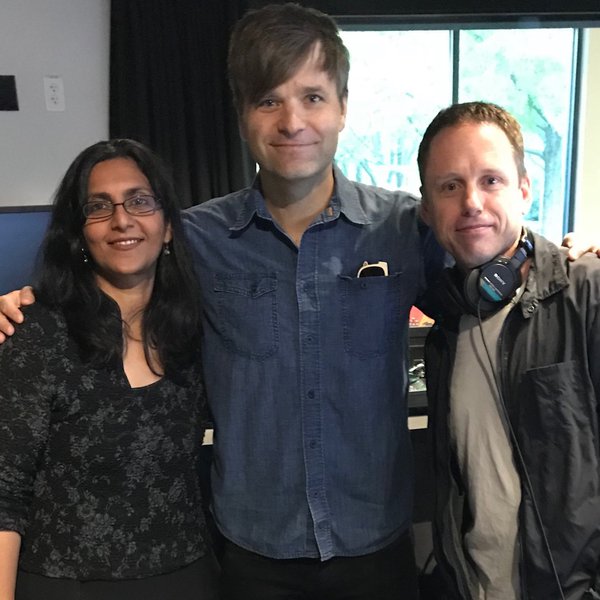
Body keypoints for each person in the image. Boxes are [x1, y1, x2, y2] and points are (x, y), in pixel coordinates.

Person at [0, 6, 598, 600]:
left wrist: (571, 260)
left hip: (377, 546)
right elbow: (113, 273)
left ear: (342, 108)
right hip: (251, 552)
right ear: (242, 115)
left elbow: (490, 268)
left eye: (312, 97)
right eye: (269, 100)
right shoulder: (198, 238)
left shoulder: (401, 228)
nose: (292, 122)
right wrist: (28, 304)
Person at [0, 139, 218, 600]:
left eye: (140, 201)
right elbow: (4, 493)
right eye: (98, 207)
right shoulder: (38, 332)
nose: (122, 220)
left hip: (188, 576)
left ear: (168, 226)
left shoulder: (197, 331)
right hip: (66, 586)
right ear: (78, 234)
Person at [418, 101, 600, 599]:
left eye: (491, 180)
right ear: (427, 209)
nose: (471, 202)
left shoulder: (587, 295)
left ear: (523, 190)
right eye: (449, 186)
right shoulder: (446, 329)